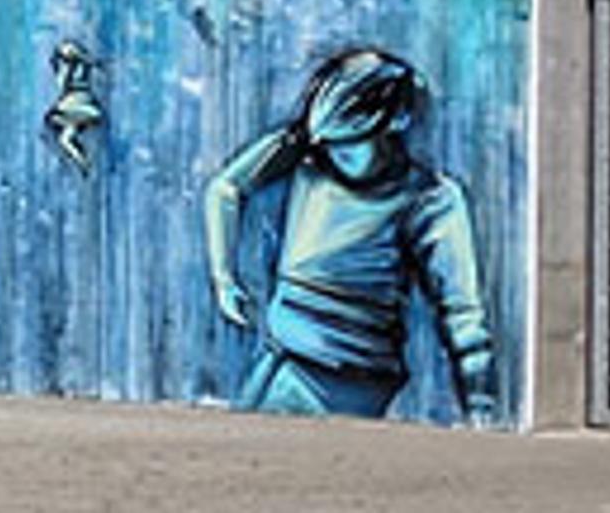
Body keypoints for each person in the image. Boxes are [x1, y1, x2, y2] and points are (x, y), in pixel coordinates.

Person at [204, 49, 494, 421]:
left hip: (349, 375)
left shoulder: (431, 199)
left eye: (351, 143)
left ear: (396, 122)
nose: (335, 155)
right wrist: (224, 278)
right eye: (328, 144)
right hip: (280, 358)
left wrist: (482, 409)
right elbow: (226, 189)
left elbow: (464, 316)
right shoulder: (305, 150)